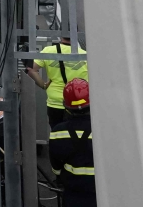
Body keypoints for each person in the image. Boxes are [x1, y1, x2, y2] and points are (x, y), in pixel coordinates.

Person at [49, 78, 95, 207]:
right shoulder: (104, 128)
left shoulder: (58, 132)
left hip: (73, 195)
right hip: (102, 193)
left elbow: (56, 169)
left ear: (66, 105)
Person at [25, 36, 88, 129]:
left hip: (55, 103)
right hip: (79, 103)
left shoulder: (48, 51)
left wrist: (43, 85)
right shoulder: (85, 55)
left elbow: (30, 69)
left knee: (57, 134)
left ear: (61, 35)